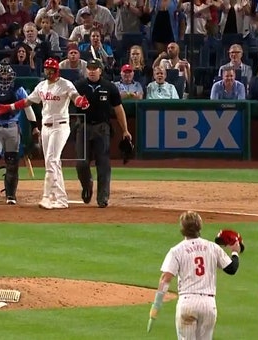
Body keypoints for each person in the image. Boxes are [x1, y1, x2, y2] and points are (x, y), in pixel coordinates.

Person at [0, 57, 89, 210]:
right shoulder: (42, 86)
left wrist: (80, 102)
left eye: (51, 70)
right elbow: (27, 101)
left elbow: (74, 96)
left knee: (51, 160)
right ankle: (61, 199)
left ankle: (47, 197)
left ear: (56, 71)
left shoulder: (65, 84)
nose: (48, 72)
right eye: (46, 69)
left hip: (60, 126)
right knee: (53, 163)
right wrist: (9, 107)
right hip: (46, 127)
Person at [149, 211, 241, 340]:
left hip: (187, 303)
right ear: (200, 226)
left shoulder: (176, 250)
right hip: (208, 305)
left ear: (182, 229)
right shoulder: (212, 247)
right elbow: (231, 269)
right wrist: (235, 252)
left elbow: (166, 278)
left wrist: (157, 304)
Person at [73, 59, 132, 208]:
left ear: (100, 70)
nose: (92, 71)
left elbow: (118, 109)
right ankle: (87, 185)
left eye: (95, 68)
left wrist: (125, 129)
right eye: (89, 68)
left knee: (103, 163)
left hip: (102, 128)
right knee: (81, 163)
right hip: (83, 127)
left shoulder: (109, 87)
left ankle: (103, 197)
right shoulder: (78, 86)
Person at [0, 63, 40, 205]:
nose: (5, 78)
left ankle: (11, 195)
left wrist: (34, 127)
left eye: (7, 75)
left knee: (12, 161)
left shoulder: (18, 89)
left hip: (12, 127)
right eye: (2, 75)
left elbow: (28, 107)